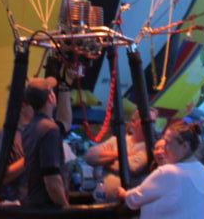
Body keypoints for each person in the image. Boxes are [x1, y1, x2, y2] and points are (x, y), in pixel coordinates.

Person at [20, 77, 73, 209]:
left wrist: (64, 87)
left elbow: (65, 123)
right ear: (50, 98)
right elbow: (51, 179)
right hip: (48, 208)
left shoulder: (29, 128)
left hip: (34, 204)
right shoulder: (50, 130)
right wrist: (66, 210)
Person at [83, 106, 157, 195]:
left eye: (153, 122)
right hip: (103, 202)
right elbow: (90, 156)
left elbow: (133, 167)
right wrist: (122, 154)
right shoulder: (115, 140)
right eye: (147, 121)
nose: (151, 125)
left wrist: (105, 161)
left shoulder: (151, 146)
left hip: (129, 205)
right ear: (133, 122)